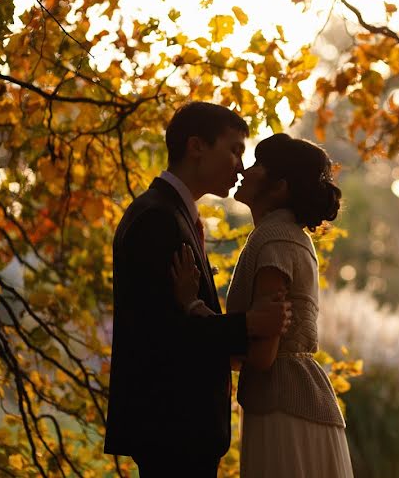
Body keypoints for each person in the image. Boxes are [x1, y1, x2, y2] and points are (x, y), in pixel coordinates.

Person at [104, 102, 292, 477]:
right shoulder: (158, 218)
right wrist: (248, 324)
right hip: (173, 427)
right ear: (196, 147)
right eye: (235, 149)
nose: (240, 165)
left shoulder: (172, 213)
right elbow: (163, 332)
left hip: (182, 428)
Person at [174, 133, 354, 477]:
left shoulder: (275, 239)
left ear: (279, 186)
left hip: (283, 410)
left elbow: (261, 355)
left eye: (257, 164)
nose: (244, 170)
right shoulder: (286, 236)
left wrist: (192, 305)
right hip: (294, 403)